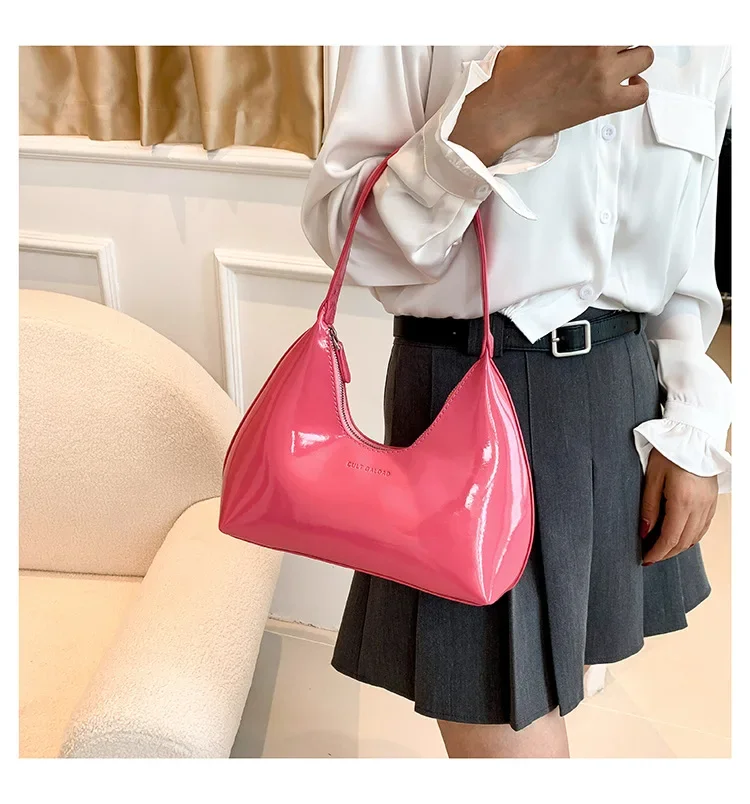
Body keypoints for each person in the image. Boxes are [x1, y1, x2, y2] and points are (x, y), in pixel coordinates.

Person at [300, 46, 732, 759]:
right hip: (465, 397)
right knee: (513, 738)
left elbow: (686, 264)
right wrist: (499, 114)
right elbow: (348, 233)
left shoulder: (707, 38)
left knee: (560, 691)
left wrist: (693, 420)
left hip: (620, 398)